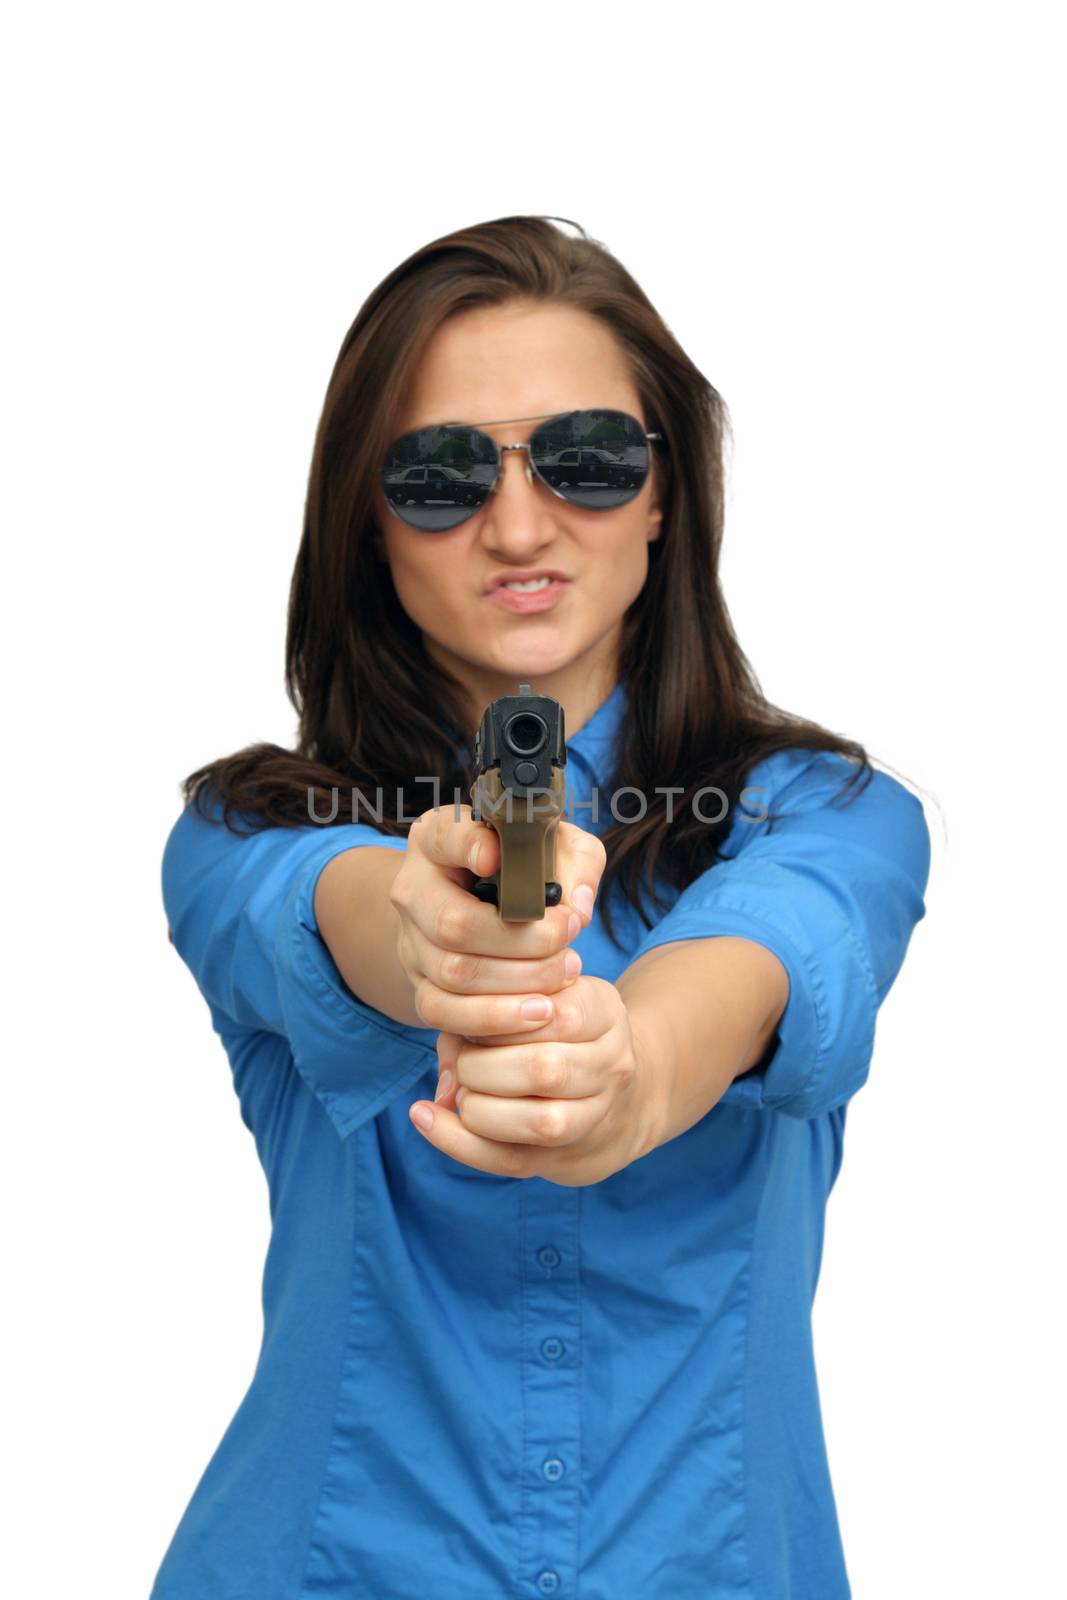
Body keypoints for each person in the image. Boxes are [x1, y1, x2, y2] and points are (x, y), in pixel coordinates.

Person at [153, 214, 931, 1599]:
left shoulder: (838, 816)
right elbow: (332, 911)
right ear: (368, 518)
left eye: (583, 458)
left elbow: (769, 955)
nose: (519, 523)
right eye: (441, 474)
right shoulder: (241, 830)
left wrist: (628, 1071)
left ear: (663, 491)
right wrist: (428, 931)